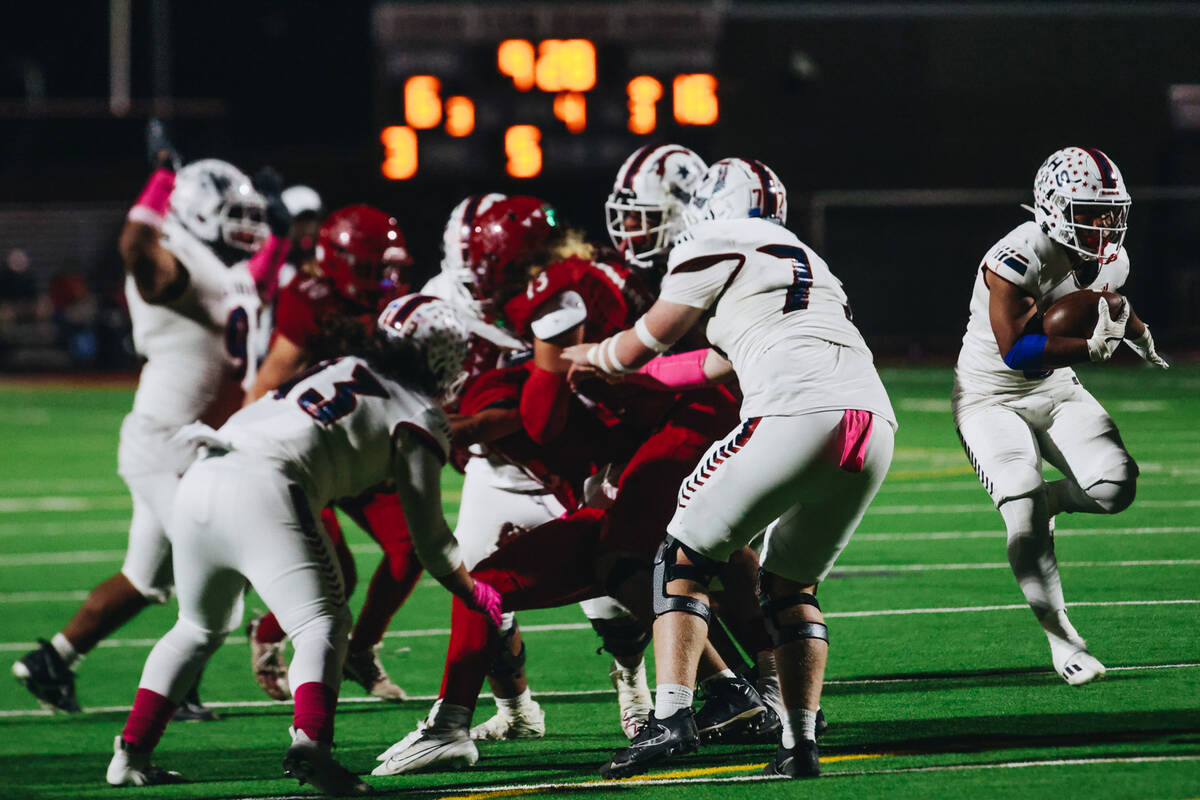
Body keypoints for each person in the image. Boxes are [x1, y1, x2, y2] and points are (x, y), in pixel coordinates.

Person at [563, 157, 897, 779]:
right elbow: (699, 366)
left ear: (712, 203)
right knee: (789, 588)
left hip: (793, 413)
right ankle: (798, 746)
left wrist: (595, 356)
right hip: (873, 423)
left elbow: (651, 340)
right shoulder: (805, 260)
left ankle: (671, 721)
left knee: (679, 559)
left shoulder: (719, 240)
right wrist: (628, 371)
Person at [103, 294, 504, 795]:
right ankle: (311, 748)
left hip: (203, 472)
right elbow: (430, 538)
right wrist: (472, 591)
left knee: (198, 626)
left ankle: (131, 755)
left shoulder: (343, 364)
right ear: (440, 356)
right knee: (324, 622)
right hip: (262, 483)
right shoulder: (417, 413)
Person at [11, 122, 271, 719]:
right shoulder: (174, 263)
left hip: (190, 443)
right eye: (235, 212)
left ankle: (54, 659)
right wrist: (160, 179)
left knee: (144, 579)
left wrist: (281, 231)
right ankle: (174, 687)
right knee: (223, 571)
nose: (248, 224)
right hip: (166, 443)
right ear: (194, 210)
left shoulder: (216, 264)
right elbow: (134, 250)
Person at [951, 147, 1167, 686]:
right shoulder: (1016, 257)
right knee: (1019, 511)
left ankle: (1048, 501)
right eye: (1091, 211)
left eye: (1110, 211)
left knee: (1116, 486)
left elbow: (1104, 298)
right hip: (989, 397)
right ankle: (1061, 639)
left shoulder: (1101, 253)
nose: (1104, 225)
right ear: (1052, 205)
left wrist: (1136, 331)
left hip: (1055, 387)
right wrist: (1090, 350)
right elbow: (1016, 351)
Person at [242, 204, 426, 703]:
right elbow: (266, 383)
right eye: (375, 269)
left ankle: (361, 650)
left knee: (410, 550)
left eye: (392, 268)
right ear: (342, 262)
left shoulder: (390, 304)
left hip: (361, 452)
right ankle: (266, 633)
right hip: (307, 454)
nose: (389, 280)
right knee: (336, 575)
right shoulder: (309, 300)